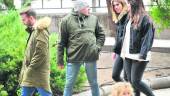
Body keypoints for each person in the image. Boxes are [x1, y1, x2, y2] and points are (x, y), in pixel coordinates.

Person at [57, 0, 105, 96]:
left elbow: (101, 35)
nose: (89, 9)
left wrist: (97, 48)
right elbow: (61, 42)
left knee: (94, 83)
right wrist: (60, 61)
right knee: (69, 84)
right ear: (79, 8)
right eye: (87, 7)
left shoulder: (93, 19)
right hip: (74, 58)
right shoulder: (66, 21)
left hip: (91, 56)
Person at [121, 0, 155, 96]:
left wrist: (142, 55)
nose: (126, 5)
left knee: (136, 81)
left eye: (127, 3)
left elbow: (147, 39)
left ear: (133, 4)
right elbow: (126, 36)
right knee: (129, 80)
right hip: (128, 54)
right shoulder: (129, 16)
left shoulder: (145, 19)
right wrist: (123, 52)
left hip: (138, 55)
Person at [19, 8, 52, 96]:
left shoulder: (40, 30)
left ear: (31, 18)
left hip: (38, 72)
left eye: (24, 19)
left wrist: (31, 68)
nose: (23, 22)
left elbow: (41, 53)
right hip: (31, 71)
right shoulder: (34, 31)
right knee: (25, 93)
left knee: (45, 94)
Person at [110, 0, 128, 82]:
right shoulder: (119, 17)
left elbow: (124, 37)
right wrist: (115, 50)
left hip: (127, 51)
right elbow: (118, 36)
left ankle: (130, 92)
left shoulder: (127, 16)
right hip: (119, 51)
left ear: (123, 4)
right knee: (115, 75)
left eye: (117, 4)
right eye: (114, 5)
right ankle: (127, 92)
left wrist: (115, 49)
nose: (115, 7)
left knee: (128, 77)